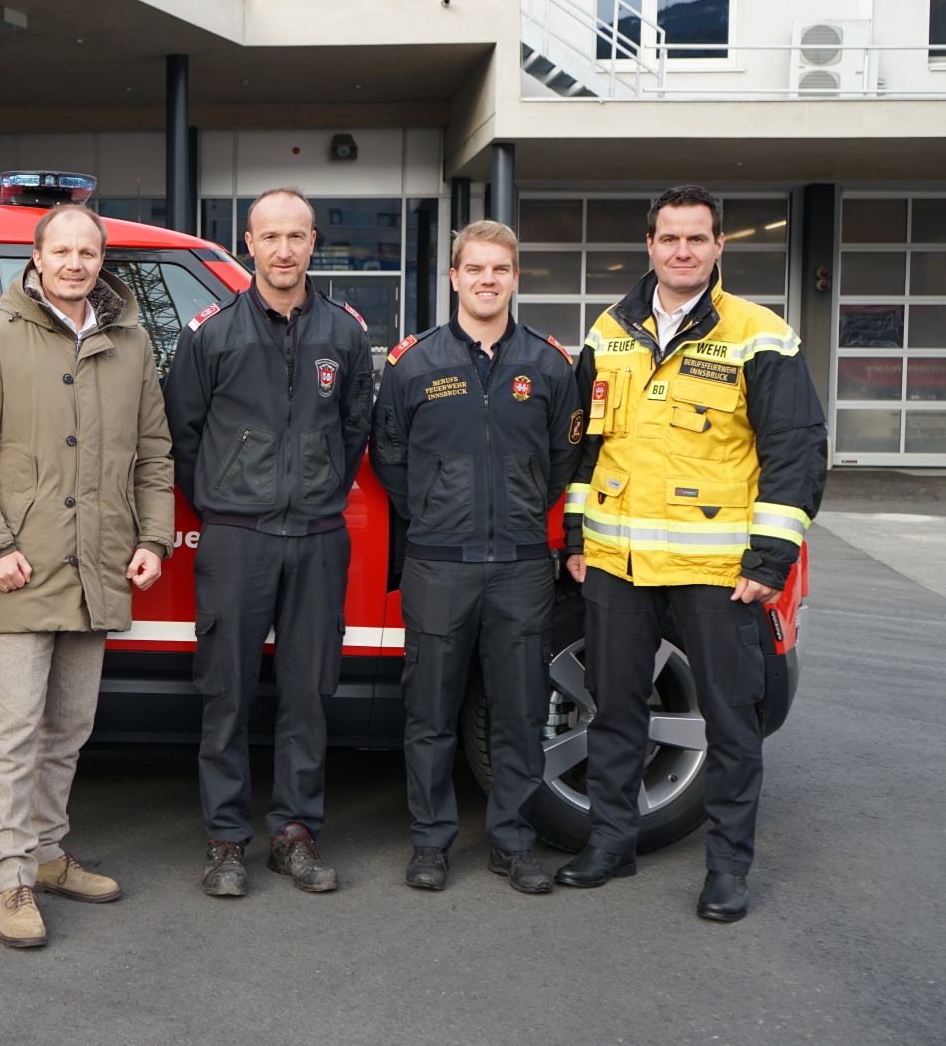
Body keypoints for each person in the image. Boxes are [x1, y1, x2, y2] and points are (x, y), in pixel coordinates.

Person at [556, 184, 826, 922]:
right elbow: (586, 447)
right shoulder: (609, 331)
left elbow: (796, 450)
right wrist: (577, 537)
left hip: (716, 571)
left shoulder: (759, 334)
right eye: (670, 238)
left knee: (730, 722)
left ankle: (728, 868)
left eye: (696, 238)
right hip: (617, 565)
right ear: (649, 245)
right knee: (615, 711)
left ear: (718, 246)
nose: (683, 251)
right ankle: (611, 843)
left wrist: (769, 561)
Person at [0, 202, 174, 949]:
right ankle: (10, 879)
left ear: (103, 261)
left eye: (88, 252)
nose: (75, 263)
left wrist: (154, 537)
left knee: (69, 727)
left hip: (98, 564)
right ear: (35, 257)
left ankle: (46, 853)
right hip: (20, 566)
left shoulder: (131, 343)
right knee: (14, 730)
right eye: (61, 250)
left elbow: (154, 452)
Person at [162, 187, 375, 897]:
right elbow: (183, 433)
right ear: (248, 244)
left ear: (314, 242)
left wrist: (316, 487)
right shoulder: (211, 332)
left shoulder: (345, 333)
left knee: (308, 695)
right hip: (237, 539)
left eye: (297, 236)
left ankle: (294, 833)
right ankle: (226, 840)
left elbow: (353, 430)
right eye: (271, 237)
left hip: (317, 537)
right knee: (226, 694)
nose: (284, 250)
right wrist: (227, 500)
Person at [370, 220, 581, 895]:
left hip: (520, 566)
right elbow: (389, 457)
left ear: (515, 278)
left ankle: (513, 843)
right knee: (430, 713)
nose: (487, 280)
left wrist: (519, 503)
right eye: (475, 268)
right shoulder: (413, 363)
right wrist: (436, 510)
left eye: (500, 269)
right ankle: (430, 843)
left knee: (519, 712)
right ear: (454, 277)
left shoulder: (549, 364)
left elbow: (563, 458)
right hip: (439, 564)